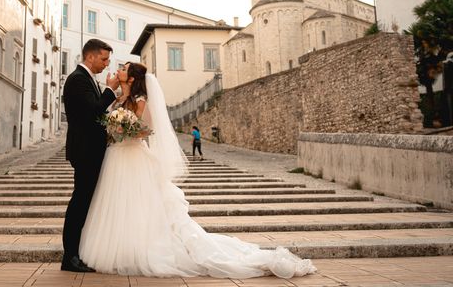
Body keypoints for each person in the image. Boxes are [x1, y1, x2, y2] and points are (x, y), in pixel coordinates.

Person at [79, 62, 316, 279]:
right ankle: (122, 247)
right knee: (120, 204)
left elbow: (146, 129)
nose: (119, 68)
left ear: (131, 78)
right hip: (116, 157)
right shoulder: (118, 98)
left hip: (134, 158)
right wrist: (115, 128)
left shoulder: (141, 99)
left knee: (140, 205)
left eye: (124, 67)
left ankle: (139, 250)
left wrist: (127, 130)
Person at [61, 38, 118, 272]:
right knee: (79, 202)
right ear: (90, 56)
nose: (106, 64)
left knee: (84, 202)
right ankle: (70, 257)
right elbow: (93, 109)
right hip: (85, 151)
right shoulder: (77, 80)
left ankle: (76, 253)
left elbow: (95, 114)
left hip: (90, 149)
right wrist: (110, 90)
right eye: (104, 59)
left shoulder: (86, 79)